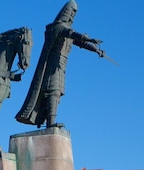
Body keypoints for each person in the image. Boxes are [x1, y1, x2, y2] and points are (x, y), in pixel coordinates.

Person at [15, 0, 106, 129]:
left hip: (61, 65)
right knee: (53, 91)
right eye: (72, 13)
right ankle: (51, 123)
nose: (72, 16)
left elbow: (80, 43)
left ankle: (49, 121)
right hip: (52, 64)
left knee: (58, 93)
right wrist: (89, 38)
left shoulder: (66, 29)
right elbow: (73, 34)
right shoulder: (58, 27)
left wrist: (96, 50)